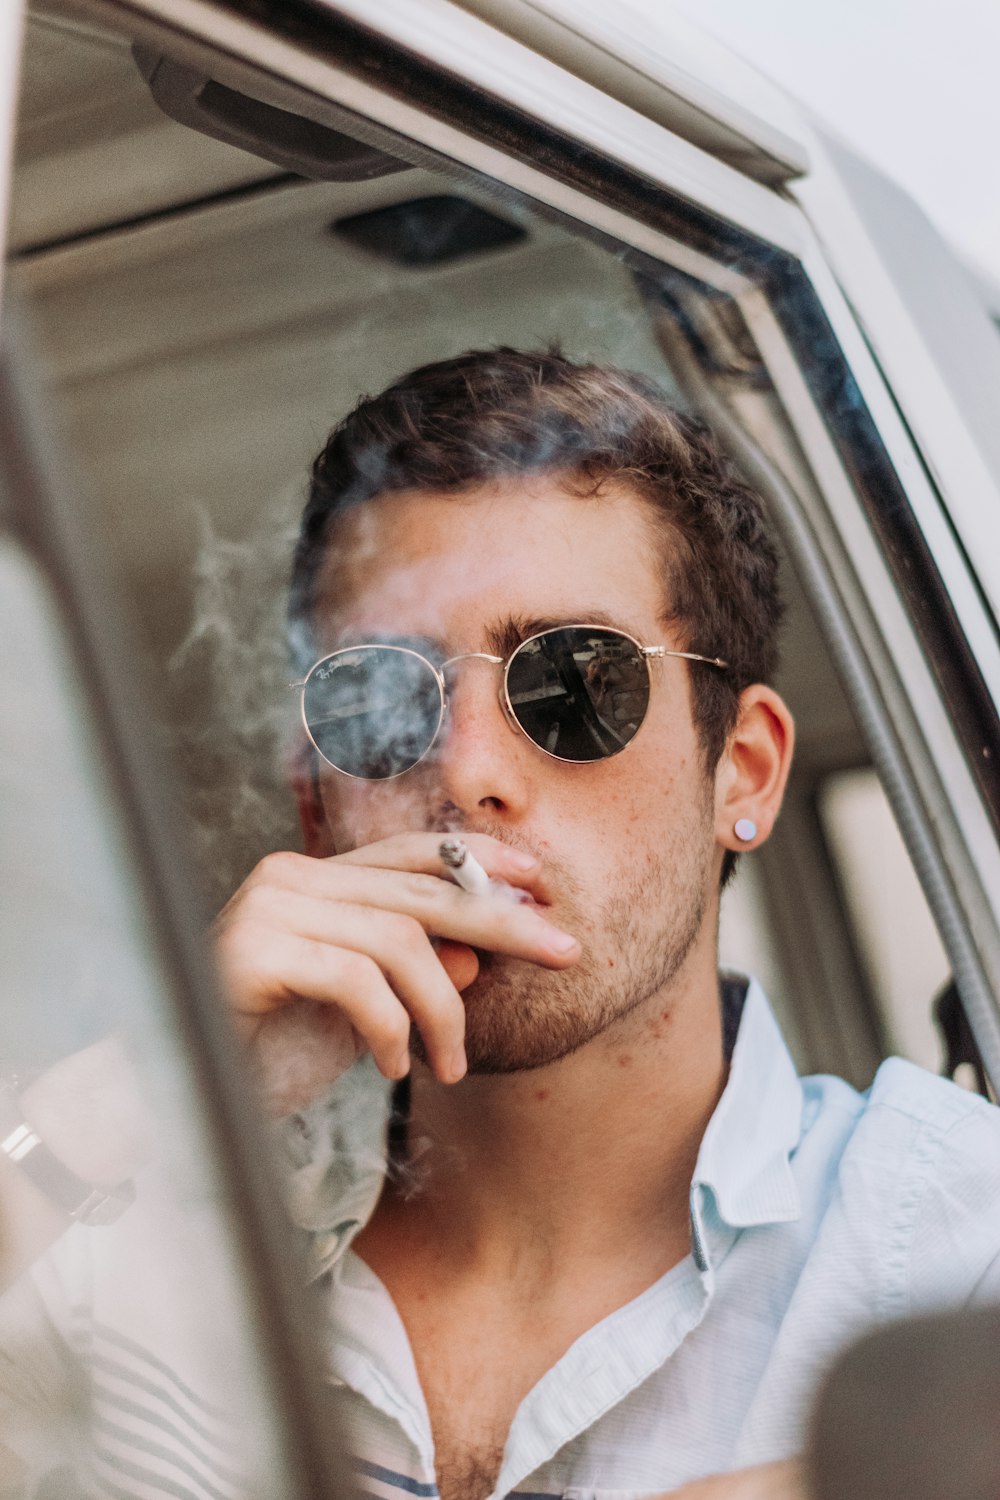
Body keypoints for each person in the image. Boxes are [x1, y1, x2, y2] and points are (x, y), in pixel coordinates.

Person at [214, 348, 1000, 1500]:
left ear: (742, 773)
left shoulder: (961, 1249)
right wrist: (140, 1099)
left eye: (571, 682)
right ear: (314, 799)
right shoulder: (144, 1254)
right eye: (383, 696)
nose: (469, 771)